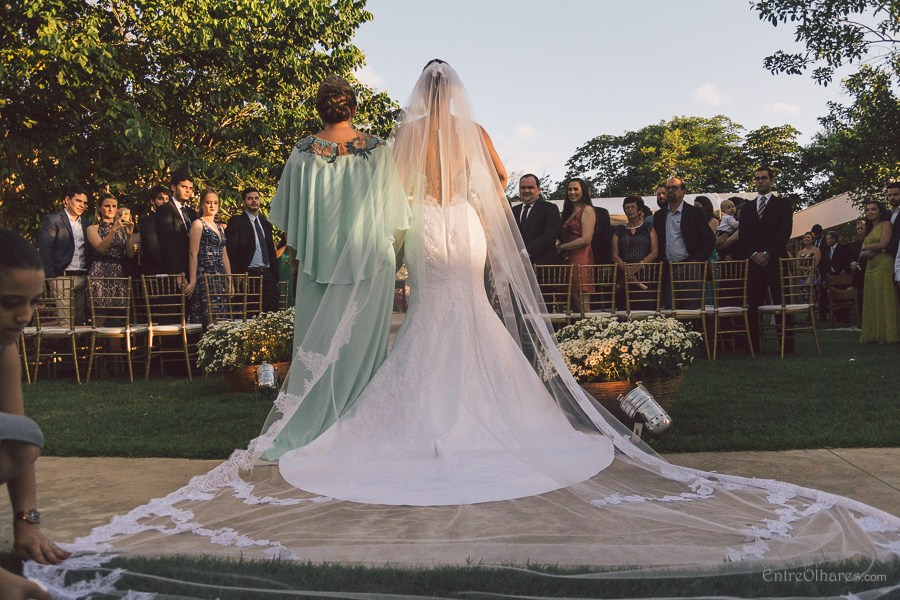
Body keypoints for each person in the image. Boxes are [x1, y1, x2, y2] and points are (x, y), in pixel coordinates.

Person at [27, 65, 900, 597]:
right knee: (473, 315)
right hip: (468, 233)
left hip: (428, 235)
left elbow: (386, 198)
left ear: (419, 95)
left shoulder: (400, 140)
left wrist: (385, 220)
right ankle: (501, 418)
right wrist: (466, 199)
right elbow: (489, 183)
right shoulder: (474, 132)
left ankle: (421, 421)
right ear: (462, 96)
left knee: (435, 321)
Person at [259, 75, 411, 459]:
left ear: (319, 108)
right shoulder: (376, 149)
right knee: (362, 344)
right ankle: (362, 420)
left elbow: (289, 219)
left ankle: (315, 418)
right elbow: (395, 215)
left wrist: (296, 259)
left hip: (314, 263)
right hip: (370, 261)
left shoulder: (303, 151)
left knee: (317, 341)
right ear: (354, 107)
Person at [0, 229, 70, 600]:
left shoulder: (4, 346)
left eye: (33, 302)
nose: (24, 316)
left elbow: (15, 432)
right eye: (11, 302)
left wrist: (26, 522)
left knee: (22, 439)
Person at [739, 167, 793, 353]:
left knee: (781, 304)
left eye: (763, 178)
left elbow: (784, 232)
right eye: (757, 179)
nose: (760, 181)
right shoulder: (746, 208)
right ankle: (754, 347)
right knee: (753, 305)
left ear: (771, 180)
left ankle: (787, 345)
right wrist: (754, 254)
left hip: (775, 260)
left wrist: (768, 253)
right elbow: (743, 236)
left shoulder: (783, 205)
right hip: (754, 263)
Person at [37, 185, 91, 324]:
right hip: (63, 277)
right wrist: (51, 278)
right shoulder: (53, 220)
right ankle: (62, 346)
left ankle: (75, 346)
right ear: (67, 200)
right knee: (66, 323)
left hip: (83, 276)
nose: (82, 205)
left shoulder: (86, 223)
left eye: (85, 203)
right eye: (78, 201)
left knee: (79, 322)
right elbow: (45, 251)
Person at [225, 187, 280, 313]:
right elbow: (230, 250)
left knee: (273, 313)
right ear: (244, 201)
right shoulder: (237, 221)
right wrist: (235, 273)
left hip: (267, 275)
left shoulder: (266, 224)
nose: (254, 201)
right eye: (250, 198)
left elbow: (271, 251)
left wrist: (275, 274)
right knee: (251, 314)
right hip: (248, 275)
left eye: (256, 198)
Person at [184, 189, 231, 327]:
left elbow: (224, 255)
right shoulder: (198, 224)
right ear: (202, 204)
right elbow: (193, 254)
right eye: (208, 202)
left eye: (215, 203)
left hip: (219, 275)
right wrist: (192, 281)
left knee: (221, 317)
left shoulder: (220, 227)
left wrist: (229, 279)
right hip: (205, 274)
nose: (212, 206)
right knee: (208, 316)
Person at [86, 193, 136, 320]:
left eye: (114, 206)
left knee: (117, 319)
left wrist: (130, 235)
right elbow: (101, 248)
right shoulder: (93, 228)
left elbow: (130, 254)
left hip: (118, 274)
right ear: (100, 208)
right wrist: (113, 229)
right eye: (107, 206)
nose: (111, 209)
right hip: (99, 273)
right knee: (99, 318)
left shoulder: (123, 230)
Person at [859, 201, 900, 343]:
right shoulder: (870, 229)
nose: (870, 212)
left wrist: (865, 248)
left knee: (884, 296)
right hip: (870, 266)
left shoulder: (886, 224)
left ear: (880, 211)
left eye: (873, 209)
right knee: (872, 298)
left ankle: (888, 333)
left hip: (883, 263)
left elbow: (884, 243)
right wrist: (865, 251)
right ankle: (875, 333)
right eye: (867, 209)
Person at [557, 178, 596, 314]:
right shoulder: (568, 212)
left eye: (575, 189)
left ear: (583, 191)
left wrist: (562, 247)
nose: (572, 192)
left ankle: (589, 332)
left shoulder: (587, 210)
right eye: (569, 189)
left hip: (581, 257)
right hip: (568, 259)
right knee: (571, 300)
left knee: (582, 302)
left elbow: (586, 239)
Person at [611, 195, 658, 307]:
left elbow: (655, 252)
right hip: (624, 275)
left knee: (645, 308)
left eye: (633, 207)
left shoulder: (648, 227)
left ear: (640, 210)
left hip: (644, 274)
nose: (630, 210)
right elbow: (614, 255)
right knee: (624, 307)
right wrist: (628, 271)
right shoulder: (619, 230)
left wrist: (637, 267)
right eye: (627, 207)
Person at [155, 171, 198, 281]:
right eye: (184, 187)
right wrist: (178, 272)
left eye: (190, 188)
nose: (188, 191)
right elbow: (167, 244)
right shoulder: (164, 210)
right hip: (173, 272)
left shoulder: (192, 213)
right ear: (173, 187)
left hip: (193, 269)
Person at [511, 174, 561, 265]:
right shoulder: (513, 211)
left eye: (530, 187)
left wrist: (524, 254)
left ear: (538, 190)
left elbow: (549, 236)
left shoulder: (550, 209)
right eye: (523, 188)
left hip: (542, 267)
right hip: (518, 267)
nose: (526, 190)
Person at [136, 186, 169, 276]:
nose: (165, 202)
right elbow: (153, 250)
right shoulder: (148, 222)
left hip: (173, 273)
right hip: (155, 273)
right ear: (152, 201)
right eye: (160, 198)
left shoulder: (173, 221)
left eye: (167, 199)